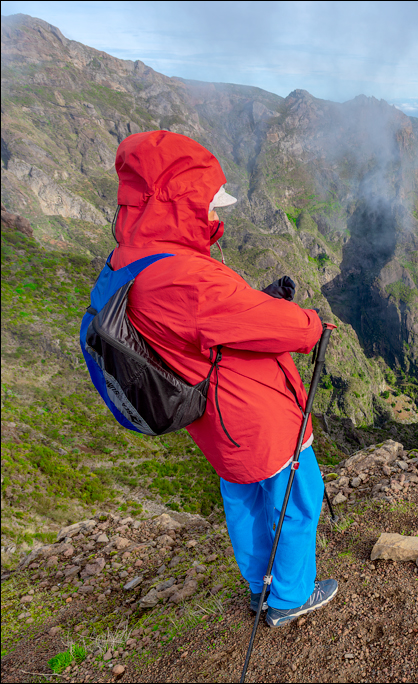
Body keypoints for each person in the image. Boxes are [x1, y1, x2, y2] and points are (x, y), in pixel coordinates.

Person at [110, 130, 337, 627]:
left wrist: (259, 299)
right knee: (297, 497)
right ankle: (290, 598)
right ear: (180, 205)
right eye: (209, 205)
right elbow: (276, 327)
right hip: (255, 415)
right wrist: (310, 322)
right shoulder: (183, 278)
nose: (216, 216)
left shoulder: (137, 260)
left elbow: (211, 323)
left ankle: (261, 588)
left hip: (216, 420)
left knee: (245, 500)